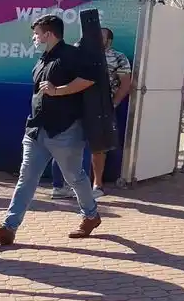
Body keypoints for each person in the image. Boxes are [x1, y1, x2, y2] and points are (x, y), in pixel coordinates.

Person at [0, 14, 101, 246]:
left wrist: (59, 90)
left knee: (74, 177)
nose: (34, 38)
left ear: (49, 34)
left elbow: (90, 79)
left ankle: (91, 215)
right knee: (26, 178)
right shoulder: (43, 58)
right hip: (36, 129)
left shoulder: (72, 55)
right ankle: (8, 228)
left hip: (65, 129)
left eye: (37, 34)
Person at [50, 27, 133, 198]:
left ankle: (97, 185)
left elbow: (125, 84)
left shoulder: (119, 57)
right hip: (74, 106)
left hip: (101, 108)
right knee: (66, 144)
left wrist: (114, 103)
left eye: (101, 36)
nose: (95, 38)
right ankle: (63, 186)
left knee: (99, 147)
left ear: (109, 41)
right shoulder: (77, 53)